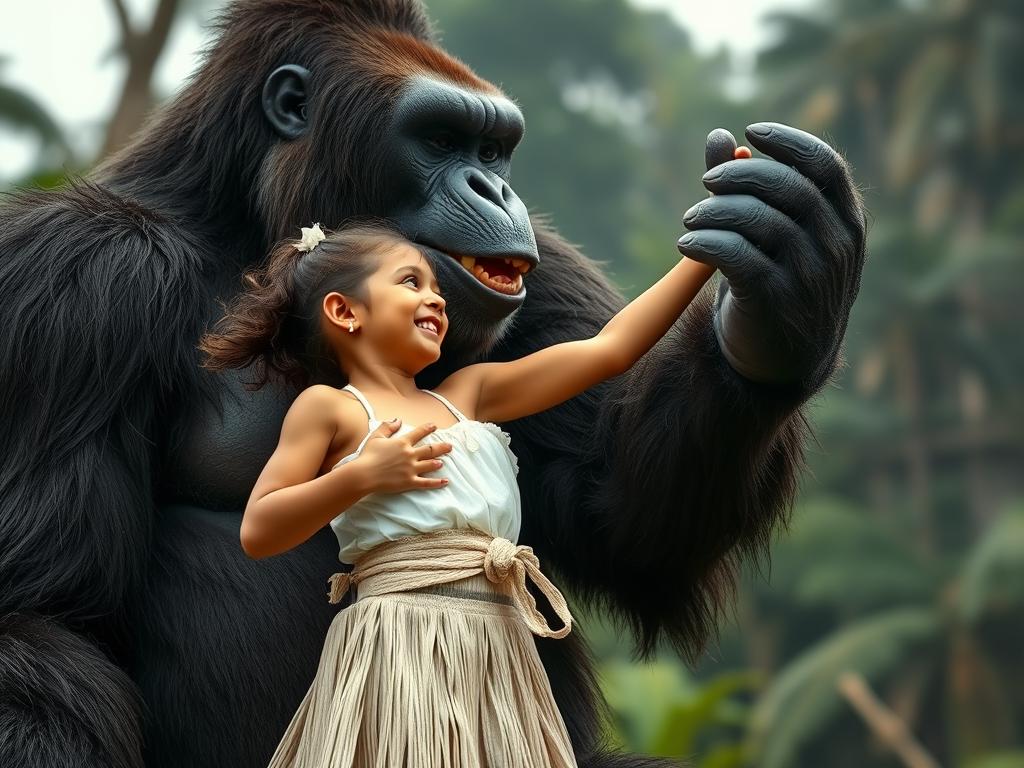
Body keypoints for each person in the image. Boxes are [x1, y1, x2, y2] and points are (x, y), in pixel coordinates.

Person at [197, 216, 715, 767]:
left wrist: (703, 256)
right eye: (410, 282)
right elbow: (260, 529)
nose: (437, 300)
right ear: (345, 311)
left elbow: (611, 350)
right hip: (401, 642)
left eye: (438, 290)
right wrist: (360, 475)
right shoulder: (331, 409)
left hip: (499, 643)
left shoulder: (468, 393)